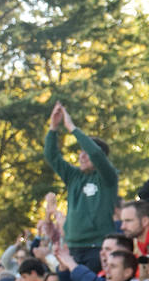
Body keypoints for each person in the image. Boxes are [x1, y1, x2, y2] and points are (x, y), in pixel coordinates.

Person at [42, 102, 117, 272]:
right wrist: (53, 127)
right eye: (81, 152)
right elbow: (51, 156)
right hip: (72, 247)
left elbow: (97, 153)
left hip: (97, 246)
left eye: (87, 153)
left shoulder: (107, 177)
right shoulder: (74, 176)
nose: (82, 156)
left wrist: (71, 127)